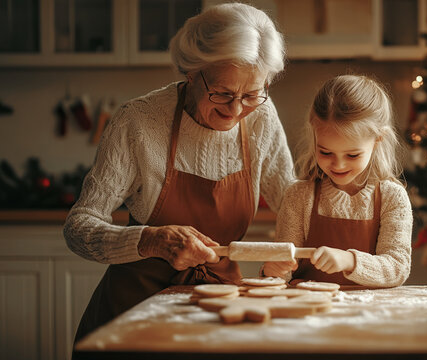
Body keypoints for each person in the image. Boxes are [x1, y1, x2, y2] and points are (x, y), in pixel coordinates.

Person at [63, 3, 294, 342]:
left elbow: (293, 203)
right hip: (133, 314)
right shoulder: (138, 122)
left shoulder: (261, 116)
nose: (235, 110)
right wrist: (150, 240)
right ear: (192, 71)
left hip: (219, 313)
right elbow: (78, 227)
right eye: (223, 94)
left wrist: (284, 256)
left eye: (251, 95)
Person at [262, 75, 413, 287]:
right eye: (325, 152)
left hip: (370, 314)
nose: (338, 165)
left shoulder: (392, 198)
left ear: (378, 139)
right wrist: (273, 271)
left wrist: (349, 261)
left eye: (352, 155)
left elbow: (397, 268)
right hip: (310, 311)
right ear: (314, 135)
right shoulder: (299, 196)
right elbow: (283, 267)